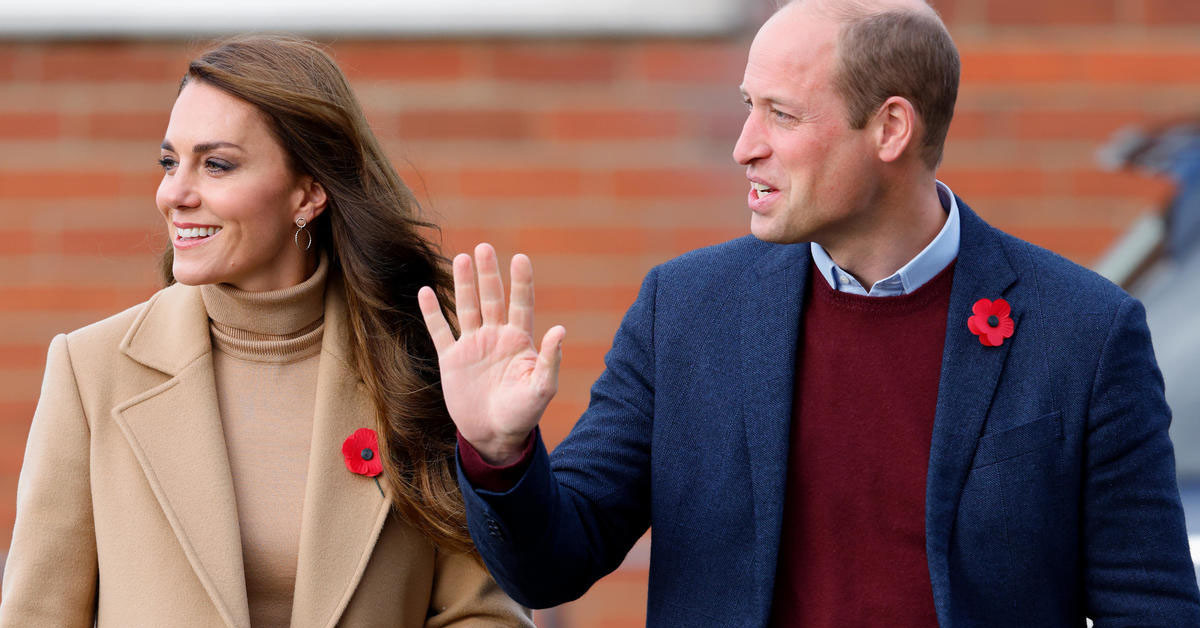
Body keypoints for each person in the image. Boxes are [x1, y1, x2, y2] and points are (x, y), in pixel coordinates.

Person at [417, 0, 1200, 625]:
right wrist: (500, 452)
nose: (744, 146)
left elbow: (1150, 607)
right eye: (746, 107)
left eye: (782, 116)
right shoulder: (685, 311)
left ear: (890, 128)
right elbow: (556, 560)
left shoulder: (1084, 332)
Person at [0, 35, 531, 627]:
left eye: (217, 164)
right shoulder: (90, 369)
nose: (174, 193)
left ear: (308, 193)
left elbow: (483, 615)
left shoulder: (418, 363)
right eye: (170, 161)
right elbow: (37, 615)